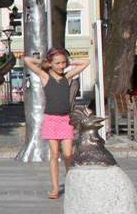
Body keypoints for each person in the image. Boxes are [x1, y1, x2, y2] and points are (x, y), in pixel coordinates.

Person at [24, 48, 90, 200]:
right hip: (51, 120)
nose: (61, 66)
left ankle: (69, 179)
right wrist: (44, 63)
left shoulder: (67, 77)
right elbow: (27, 60)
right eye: (58, 63)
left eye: (63, 63)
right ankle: (55, 187)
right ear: (51, 64)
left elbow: (86, 62)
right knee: (54, 154)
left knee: (68, 154)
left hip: (66, 120)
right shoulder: (45, 77)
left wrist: (69, 63)